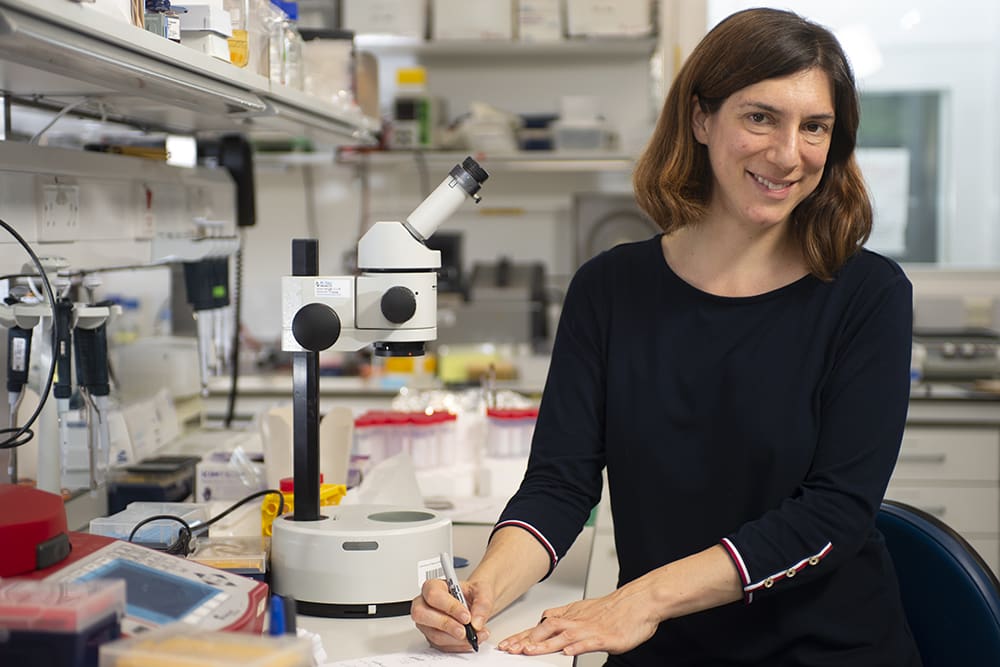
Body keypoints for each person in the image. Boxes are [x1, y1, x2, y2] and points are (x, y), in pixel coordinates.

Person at [412, 7, 920, 666]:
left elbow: (834, 514)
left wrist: (641, 600)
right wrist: (481, 591)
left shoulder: (868, 294)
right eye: (760, 117)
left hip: (825, 652)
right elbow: (560, 484)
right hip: (663, 650)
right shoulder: (609, 289)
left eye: (814, 127)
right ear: (701, 118)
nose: (787, 153)